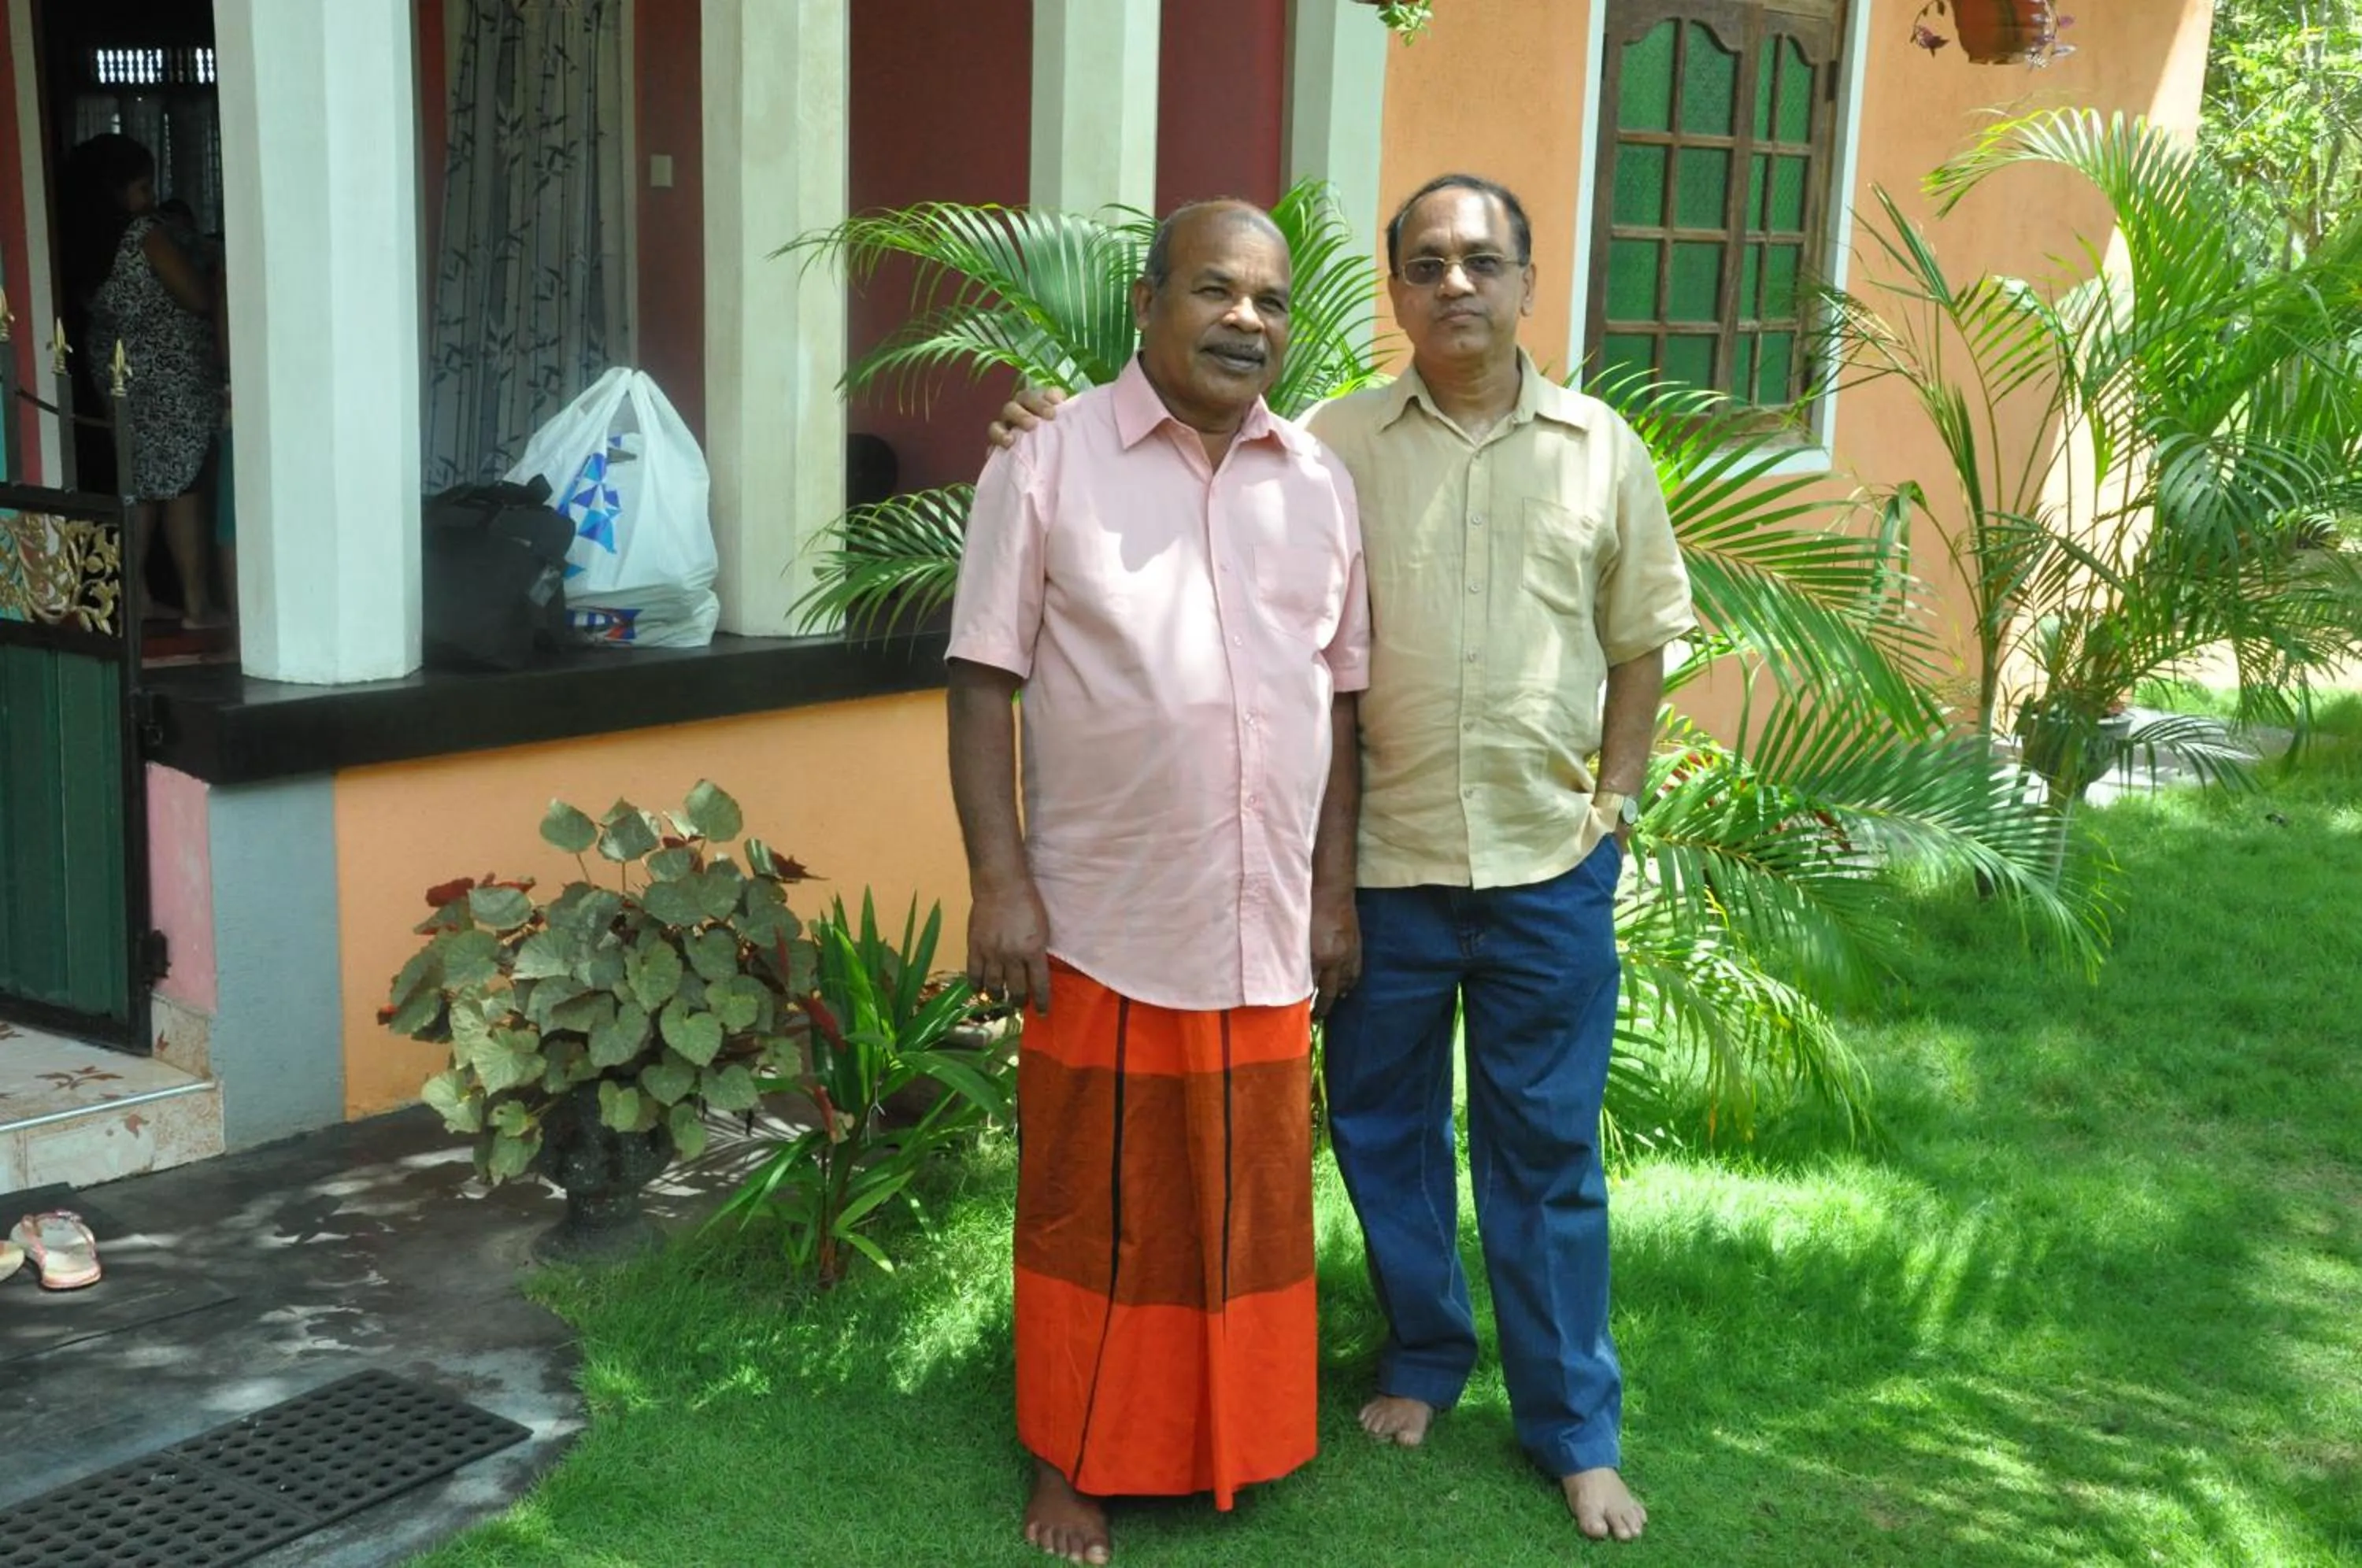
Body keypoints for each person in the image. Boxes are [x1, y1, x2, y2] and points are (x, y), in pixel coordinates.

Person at [990, 173, 1693, 1544]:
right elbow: (1173, 455)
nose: (1455, 286)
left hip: (1549, 866)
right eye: (1425, 263)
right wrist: (1037, 425)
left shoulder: (1602, 448)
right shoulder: (1327, 443)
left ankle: (1573, 1431)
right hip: (1384, 872)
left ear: (1528, 281)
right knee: (1385, 1138)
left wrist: (1615, 801)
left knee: (1546, 1155)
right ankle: (1424, 1359)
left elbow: (1639, 640)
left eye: (1482, 260)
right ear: (1395, 291)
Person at [948, 199, 1371, 1565]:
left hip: (1258, 919)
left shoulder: (1317, 480)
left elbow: (1340, 701)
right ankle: (1075, 1454)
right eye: (1215, 289)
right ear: (1147, 302)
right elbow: (981, 684)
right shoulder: (1048, 461)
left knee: (1243, 1196)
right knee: (1097, 1203)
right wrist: (999, 881)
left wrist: (1331, 887)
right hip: (1105, 916)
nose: (1247, 318)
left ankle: (1234, 1435)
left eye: (1271, 300)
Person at [61, 135, 226, 630]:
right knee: (184, 486)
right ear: (116, 190)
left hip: (121, 377)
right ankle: (197, 608)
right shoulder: (145, 235)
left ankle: (136, 598)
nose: (151, 197)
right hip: (169, 380)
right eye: (141, 186)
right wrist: (216, 273)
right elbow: (195, 297)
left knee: (142, 485)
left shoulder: (84, 242)